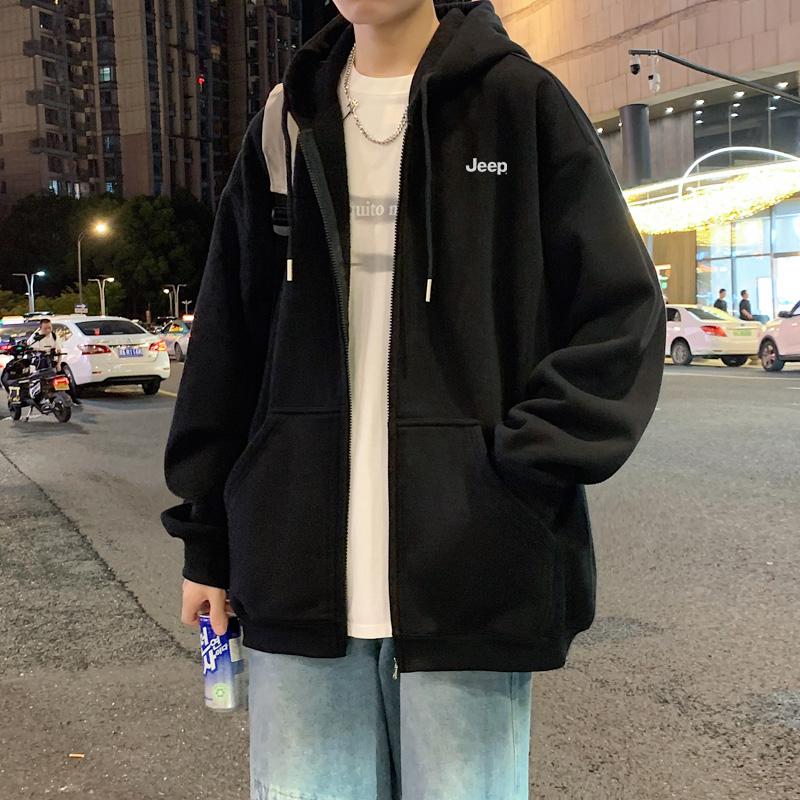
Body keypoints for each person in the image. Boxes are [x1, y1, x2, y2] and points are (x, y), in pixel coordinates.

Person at [161, 2, 666, 798]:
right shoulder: (288, 121)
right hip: (293, 568)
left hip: (470, 568)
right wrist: (206, 543)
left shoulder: (518, 103)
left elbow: (621, 313)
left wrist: (519, 475)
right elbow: (230, 340)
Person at [26, 319, 82, 405]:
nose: (48, 330)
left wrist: (58, 364)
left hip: (52, 361)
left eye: (49, 327)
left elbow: (59, 352)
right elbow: (30, 348)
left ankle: (73, 398)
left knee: (65, 378)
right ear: (40, 328)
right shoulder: (35, 337)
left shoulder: (54, 336)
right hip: (40, 362)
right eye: (45, 328)